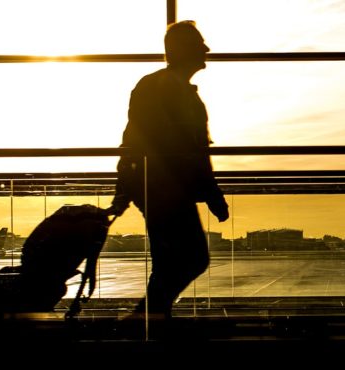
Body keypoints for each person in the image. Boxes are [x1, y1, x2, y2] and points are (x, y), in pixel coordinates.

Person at [106, 20, 230, 320]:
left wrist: (125, 189)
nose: (206, 49)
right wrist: (212, 194)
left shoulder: (160, 87)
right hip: (167, 190)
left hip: (159, 188)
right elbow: (190, 151)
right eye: (199, 43)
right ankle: (147, 318)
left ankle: (150, 319)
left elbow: (133, 140)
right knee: (192, 258)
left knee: (172, 261)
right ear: (183, 50)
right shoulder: (172, 90)